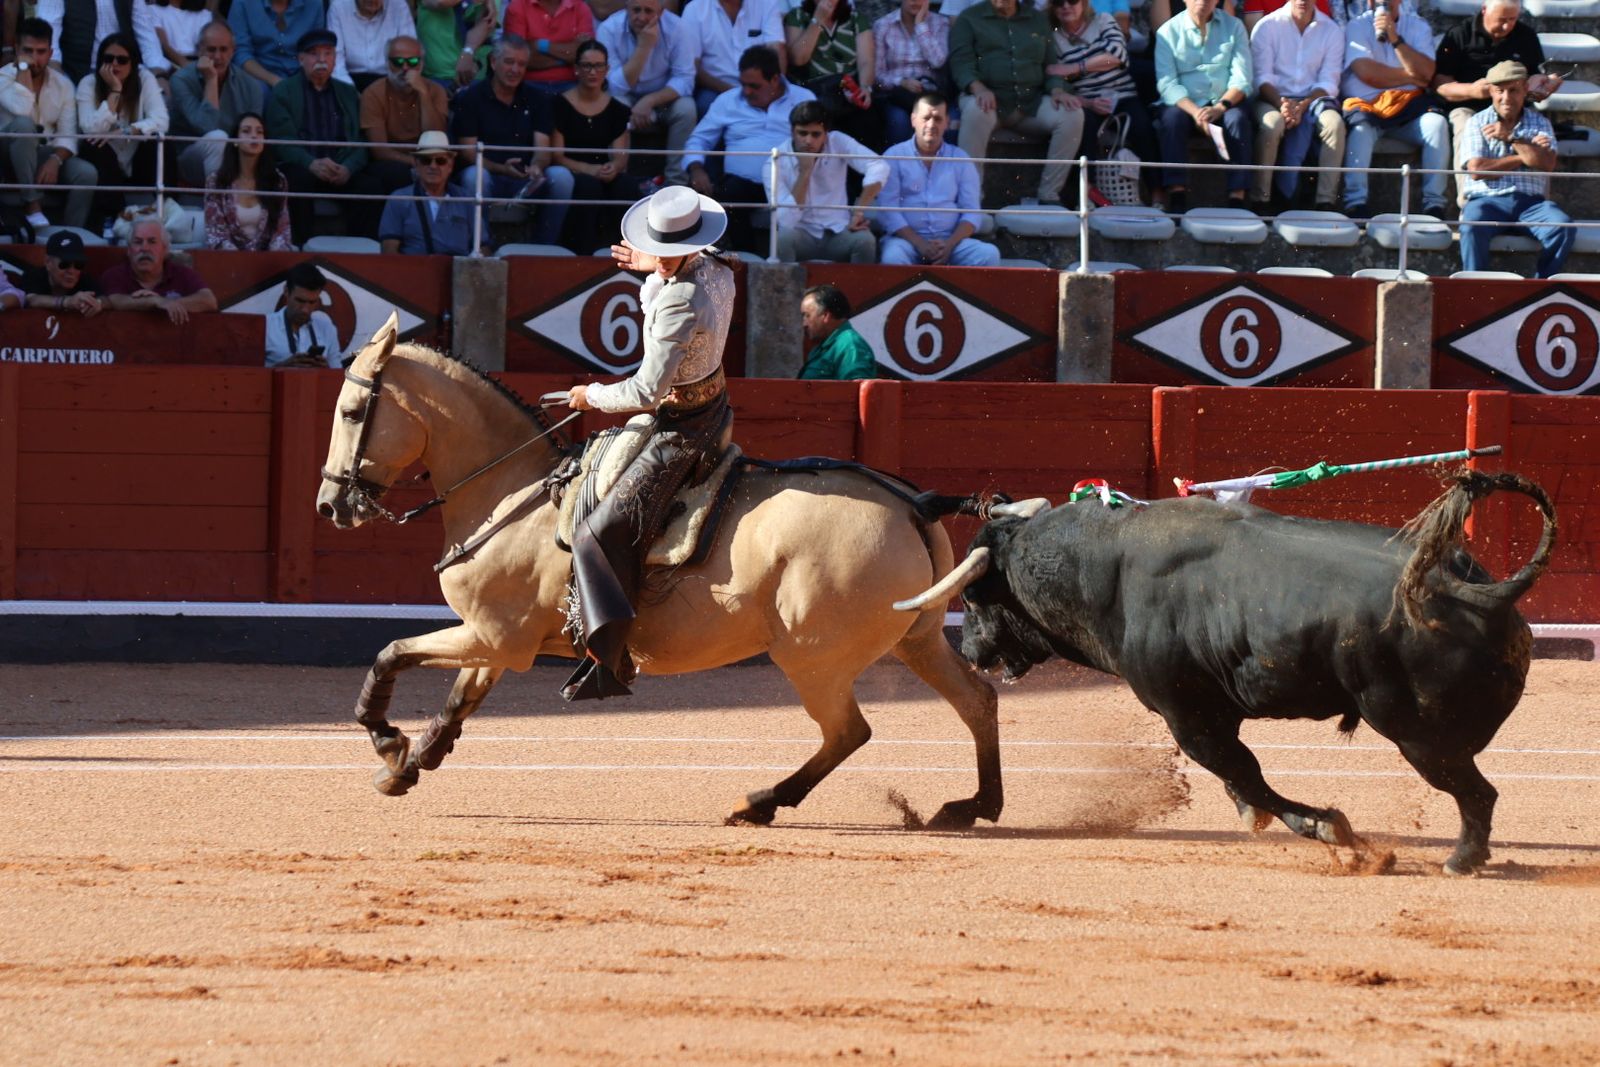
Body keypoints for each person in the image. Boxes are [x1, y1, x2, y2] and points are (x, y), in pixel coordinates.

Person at [561, 185, 737, 701]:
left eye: (662, 249)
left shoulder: (680, 299)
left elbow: (645, 389)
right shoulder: (717, 265)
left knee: (598, 529)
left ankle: (610, 658)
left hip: (683, 428)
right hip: (715, 405)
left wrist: (588, 394)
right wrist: (655, 269)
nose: (653, 257)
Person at [951, 0, 1082, 207]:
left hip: (1031, 102)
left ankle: (1049, 195)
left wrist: (1057, 90)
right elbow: (961, 64)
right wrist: (979, 88)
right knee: (976, 111)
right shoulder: (969, 18)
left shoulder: (1037, 20)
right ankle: (971, 200)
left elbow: (1051, 65)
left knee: (1072, 114)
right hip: (989, 101)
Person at [684, 45, 816, 252]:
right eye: (743, 84)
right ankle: (745, 259)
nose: (746, 91)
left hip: (790, 182)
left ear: (775, 79)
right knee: (727, 192)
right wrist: (696, 169)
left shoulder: (803, 99)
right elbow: (699, 139)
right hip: (741, 186)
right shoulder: (728, 100)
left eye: (754, 86)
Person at [449, 35, 575, 246]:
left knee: (561, 177)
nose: (515, 69)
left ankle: (544, 246)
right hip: (489, 174)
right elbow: (468, 153)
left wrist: (537, 165)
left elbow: (543, 149)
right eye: (509, 62)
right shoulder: (471, 97)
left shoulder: (538, 98)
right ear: (493, 62)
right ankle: (481, 245)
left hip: (527, 180)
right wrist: (500, 168)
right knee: (474, 176)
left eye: (521, 64)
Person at [1433, 0, 1559, 206]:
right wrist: (1472, 90)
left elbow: (1534, 76)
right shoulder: (1459, 35)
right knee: (1464, 126)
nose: (1507, 26)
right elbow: (1439, 84)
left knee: (1541, 138)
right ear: (1484, 10)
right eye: (1501, 20)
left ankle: (1539, 204)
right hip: (1470, 105)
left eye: (1512, 19)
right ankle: (1467, 202)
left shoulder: (1526, 36)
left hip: (1517, 106)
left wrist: (1543, 86)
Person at [265, 28, 387, 242]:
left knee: (371, 187)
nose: (322, 60)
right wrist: (311, 163)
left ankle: (361, 251)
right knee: (295, 180)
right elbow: (281, 141)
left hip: (339, 167)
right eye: (314, 53)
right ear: (301, 58)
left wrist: (349, 167)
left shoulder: (348, 93)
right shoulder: (283, 90)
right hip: (303, 166)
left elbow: (361, 140)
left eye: (328, 53)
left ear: (335, 58)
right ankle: (299, 246)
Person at [1457, 60, 1572, 278]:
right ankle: (1474, 287)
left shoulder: (1540, 122)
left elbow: (1548, 164)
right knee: (1471, 225)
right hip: (1486, 201)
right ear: (1491, 91)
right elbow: (1477, 169)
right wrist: (1526, 155)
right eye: (1500, 91)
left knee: (1563, 226)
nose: (1506, 98)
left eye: (1513, 90)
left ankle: (1540, 288)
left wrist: (1510, 138)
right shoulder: (1476, 122)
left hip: (1531, 204)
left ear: (1525, 89)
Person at [1339, 0, 1447, 218]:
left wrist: (1396, 39)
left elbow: (1427, 72)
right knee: (1360, 130)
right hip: (1368, 106)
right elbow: (1367, 73)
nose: (1383, 3)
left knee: (1437, 124)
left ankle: (1434, 203)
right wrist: (1411, 75)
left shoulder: (1418, 26)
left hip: (1409, 107)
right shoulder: (1357, 26)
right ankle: (1355, 202)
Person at [1047, 0, 1156, 205]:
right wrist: (1087, 101)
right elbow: (1057, 80)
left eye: (1072, 1)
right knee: (1082, 125)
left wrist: (1075, 68)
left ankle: (1158, 194)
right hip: (1087, 99)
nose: (1066, 6)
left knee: (1142, 126)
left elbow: (1117, 55)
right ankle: (1087, 193)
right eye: (1059, 2)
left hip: (1122, 94)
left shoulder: (1103, 20)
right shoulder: (1053, 39)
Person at [877, 92, 999, 265]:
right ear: (913, 120)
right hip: (906, 242)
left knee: (989, 255)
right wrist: (919, 244)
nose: (931, 124)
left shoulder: (961, 159)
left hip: (950, 243)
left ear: (947, 123)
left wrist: (949, 245)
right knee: (893, 258)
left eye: (938, 119)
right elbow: (888, 211)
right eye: (926, 118)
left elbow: (971, 212)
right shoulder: (893, 157)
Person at [1154, 0, 1253, 214]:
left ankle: (1238, 197)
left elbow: (1242, 79)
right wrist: (1196, 112)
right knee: (1171, 120)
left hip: (1224, 101)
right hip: (1185, 104)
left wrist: (1220, 107)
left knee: (1237, 120)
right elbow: (1167, 84)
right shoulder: (1167, 31)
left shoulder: (1234, 26)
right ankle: (1177, 193)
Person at [0, 19, 96, 231]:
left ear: (51, 53)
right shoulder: (2, 77)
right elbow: (24, 109)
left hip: (43, 152)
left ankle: (72, 233)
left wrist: (55, 159)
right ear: (17, 50)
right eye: (28, 51)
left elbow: (68, 135)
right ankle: (32, 204)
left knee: (86, 173)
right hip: (6, 154)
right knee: (25, 126)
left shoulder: (63, 84)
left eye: (41, 52)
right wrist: (23, 70)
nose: (35, 59)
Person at [1248, 0, 1344, 211]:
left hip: (1313, 100)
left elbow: (1329, 81)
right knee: (1272, 124)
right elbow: (1262, 78)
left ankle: (1325, 202)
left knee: (1334, 125)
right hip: (1271, 98)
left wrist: (1303, 105)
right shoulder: (1266, 26)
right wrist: (1282, 104)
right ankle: (1260, 200)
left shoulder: (1331, 30)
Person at [552, 40, 645, 253]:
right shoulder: (559, 104)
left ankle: (622, 251)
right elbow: (556, 155)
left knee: (626, 185)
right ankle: (581, 253)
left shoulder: (618, 109)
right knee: (588, 187)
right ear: (576, 69)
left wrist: (614, 167)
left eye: (598, 66)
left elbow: (620, 155)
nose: (593, 72)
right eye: (587, 66)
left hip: (603, 172)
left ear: (607, 69)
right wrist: (589, 169)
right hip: (573, 171)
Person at [765, 99, 886, 263]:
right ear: (792, 132)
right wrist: (805, 171)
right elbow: (786, 221)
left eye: (816, 134)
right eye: (802, 133)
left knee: (865, 241)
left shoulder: (837, 141)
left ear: (826, 133)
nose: (808, 141)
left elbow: (878, 165)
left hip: (839, 231)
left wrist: (858, 211)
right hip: (801, 234)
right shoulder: (774, 162)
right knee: (782, 239)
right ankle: (788, 290)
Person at [596, 0, 698, 186]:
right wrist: (644, 47)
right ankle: (619, 178)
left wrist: (649, 101)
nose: (641, 17)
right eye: (636, 10)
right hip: (625, 97)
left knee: (687, 108)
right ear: (626, 7)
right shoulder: (608, 29)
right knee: (615, 104)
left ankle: (676, 183)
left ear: (661, 12)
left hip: (662, 99)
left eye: (648, 11)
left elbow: (685, 79)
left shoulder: (678, 27)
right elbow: (614, 86)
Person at [74, 33, 167, 232]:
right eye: (108, 59)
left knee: (160, 142)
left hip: (136, 159)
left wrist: (126, 131)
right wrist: (115, 91)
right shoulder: (88, 83)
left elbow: (161, 121)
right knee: (94, 145)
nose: (114, 64)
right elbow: (90, 129)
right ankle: (110, 219)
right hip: (105, 161)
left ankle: (166, 212)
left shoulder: (145, 79)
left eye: (122, 60)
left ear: (133, 63)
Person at [170, 21, 270, 187]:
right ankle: (218, 207)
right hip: (189, 160)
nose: (217, 56)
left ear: (233, 51)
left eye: (223, 49)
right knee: (217, 138)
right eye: (211, 50)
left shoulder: (251, 86)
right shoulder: (181, 80)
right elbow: (207, 127)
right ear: (199, 50)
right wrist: (211, 80)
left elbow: (254, 136)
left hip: (237, 159)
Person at [360, 34, 450, 191]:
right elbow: (379, 150)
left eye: (413, 62)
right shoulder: (373, 93)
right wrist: (416, 163)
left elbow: (435, 140)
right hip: (393, 163)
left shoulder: (435, 91)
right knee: (397, 174)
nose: (405, 68)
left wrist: (423, 94)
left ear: (421, 64)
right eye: (398, 62)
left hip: (430, 159)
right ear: (387, 63)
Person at [784, 0, 879, 146]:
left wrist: (865, 87)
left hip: (848, 90)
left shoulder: (856, 19)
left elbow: (866, 60)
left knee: (870, 116)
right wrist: (817, 21)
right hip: (815, 92)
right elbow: (798, 58)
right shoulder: (796, 16)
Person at [204, 111, 294, 251]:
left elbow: (282, 230)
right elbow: (216, 234)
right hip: (230, 259)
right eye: (246, 131)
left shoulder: (277, 180)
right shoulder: (216, 181)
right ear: (235, 141)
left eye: (259, 132)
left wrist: (273, 255)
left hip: (268, 258)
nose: (254, 136)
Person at [379, 129, 479, 254]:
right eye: (426, 160)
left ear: (450, 165)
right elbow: (389, 251)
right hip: (414, 270)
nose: (433, 166)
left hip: (458, 271)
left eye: (440, 161)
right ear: (416, 163)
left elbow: (482, 247)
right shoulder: (398, 199)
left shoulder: (467, 199)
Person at [101, 218, 218, 324]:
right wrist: (155, 301)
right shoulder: (114, 275)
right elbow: (116, 300)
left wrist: (167, 303)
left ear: (165, 249)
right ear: (128, 250)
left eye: (152, 242)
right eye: (137, 242)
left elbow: (209, 301)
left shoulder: (183, 274)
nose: (144, 248)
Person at [681, 0, 786, 116]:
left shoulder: (766, 3)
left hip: (761, 85)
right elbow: (693, 67)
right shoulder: (695, 9)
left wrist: (771, 89)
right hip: (717, 88)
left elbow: (777, 52)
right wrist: (734, 92)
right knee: (706, 105)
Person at [872, 0, 951, 148]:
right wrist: (901, 82)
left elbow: (938, 61)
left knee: (944, 122)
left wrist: (920, 25)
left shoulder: (940, 23)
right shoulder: (884, 25)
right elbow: (877, 74)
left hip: (930, 95)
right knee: (899, 121)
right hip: (896, 95)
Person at [501, 0, 594, 92]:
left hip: (572, 84)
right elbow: (519, 59)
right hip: (529, 84)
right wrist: (571, 58)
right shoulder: (518, 6)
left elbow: (587, 55)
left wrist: (541, 45)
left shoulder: (580, 7)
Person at [229, 0, 326, 88]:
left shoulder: (314, 4)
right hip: (260, 75)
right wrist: (273, 80)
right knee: (255, 91)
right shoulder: (243, 3)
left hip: (301, 74)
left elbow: (317, 49)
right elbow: (240, 53)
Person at [35, 0, 134, 83]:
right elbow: (49, 32)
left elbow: (143, 31)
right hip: (74, 71)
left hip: (122, 67)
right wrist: (59, 79)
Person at [266, 262, 344, 368]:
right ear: (286, 291)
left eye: (312, 302)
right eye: (300, 301)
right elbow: (250, 375)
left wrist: (325, 370)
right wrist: (282, 369)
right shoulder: (265, 327)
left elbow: (337, 375)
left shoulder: (327, 328)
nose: (305, 310)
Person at [329, 0, 416, 91]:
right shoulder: (338, 7)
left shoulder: (399, 6)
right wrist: (351, 94)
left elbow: (409, 54)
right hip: (350, 78)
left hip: (390, 81)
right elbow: (336, 62)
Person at [415, 0, 496, 92]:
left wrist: (467, 52)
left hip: (472, 71)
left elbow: (486, 20)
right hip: (436, 73)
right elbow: (439, 2)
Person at [799, 283, 876, 379]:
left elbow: (856, 391)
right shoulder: (824, 347)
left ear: (825, 315)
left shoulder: (850, 345)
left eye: (807, 315)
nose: (804, 324)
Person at [18, 230, 103, 316]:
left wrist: (97, 303)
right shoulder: (34, 276)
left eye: (78, 265)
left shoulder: (84, 279)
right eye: (64, 264)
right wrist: (67, 302)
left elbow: (105, 298)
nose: (71, 271)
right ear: (48, 262)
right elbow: (32, 300)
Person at [134, 0, 212, 87]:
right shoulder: (153, 10)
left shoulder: (205, 15)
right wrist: (185, 64)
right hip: (170, 65)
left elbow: (206, 45)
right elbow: (164, 45)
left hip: (198, 65)